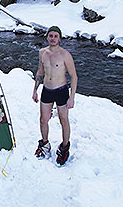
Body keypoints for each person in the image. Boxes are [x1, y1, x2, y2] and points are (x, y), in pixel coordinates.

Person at [32, 25, 78, 164]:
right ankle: (45, 144)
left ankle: (64, 147)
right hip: (46, 89)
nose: (53, 38)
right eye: (50, 35)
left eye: (55, 36)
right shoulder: (42, 52)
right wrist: (34, 89)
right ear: (47, 37)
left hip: (61, 91)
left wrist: (72, 97)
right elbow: (40, 72)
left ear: (60, 38)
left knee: (63, 120)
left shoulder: (65, 55)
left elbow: (74, 76)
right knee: (43, 119)